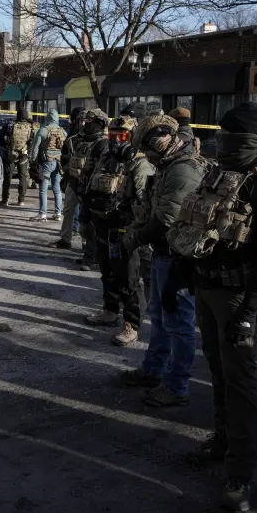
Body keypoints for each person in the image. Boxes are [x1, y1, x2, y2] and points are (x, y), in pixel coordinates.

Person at [168, 102, 257, 512]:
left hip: (237, 297)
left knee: (241, 385)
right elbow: (198, 227)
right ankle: (222, 443)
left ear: (253, 141)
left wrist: (248, 312)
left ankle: (240, 474)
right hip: (207, 289)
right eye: (221, 137)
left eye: (231, 139)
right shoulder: (222, 175)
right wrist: (185, 276)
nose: (222, 144)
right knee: (219, 375)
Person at [119, 114, 208, 407]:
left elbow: (167, 218)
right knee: (159, 318)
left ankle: (176, 385)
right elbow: (153, 208)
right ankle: (154, 370)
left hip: (178, 259)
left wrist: (136, 237)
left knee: (178, 324)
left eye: (150, 148)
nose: (149, 156)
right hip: (163, 254)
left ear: (162, 140)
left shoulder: (183, 170)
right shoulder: (169, 166)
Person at [82, 116, 152, 347]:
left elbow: (144, 201)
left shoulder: (140, 163)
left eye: (121, 136)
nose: (115, 140)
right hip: (102, 225)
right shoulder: (104, 156)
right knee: (107, 271)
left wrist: (134, 231)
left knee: (129, 278)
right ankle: (109, 311)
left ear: (132, 137)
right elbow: (89, 186)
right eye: (112, 135)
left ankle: (132, 324)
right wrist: (85, 219)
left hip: (125, 229)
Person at [72, 109, 110, 268]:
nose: (86, 124)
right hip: (85, 186)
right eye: (85, 121)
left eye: (90, 121)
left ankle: (90, 258)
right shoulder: (84, 140)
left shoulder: (103, 143)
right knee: (86, 224)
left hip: (97, 190)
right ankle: (91, 256)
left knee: (93, 226)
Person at [52, 108, 86, 249]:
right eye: (81, 120)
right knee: (68, 211)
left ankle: (87, 244)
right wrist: (66, 171)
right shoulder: (72, 139)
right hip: (73, 180)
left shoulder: (99, 141)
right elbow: (64, 157)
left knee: (87, 214)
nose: (83, 124)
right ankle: (65, 239)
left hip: (88, 183)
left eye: (86, 121)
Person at [29, 108, 67, 222]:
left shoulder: (43, 130)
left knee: (43, 189)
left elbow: (35, 148)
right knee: (57, 188)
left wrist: (33, 161)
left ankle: (42, 214)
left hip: (46, 162)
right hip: (59, 162)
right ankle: (58, 213)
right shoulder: (62, 131)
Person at [0, 108, 35, 207]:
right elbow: (31, 142)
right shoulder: (30, 127)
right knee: (22, 177)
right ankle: (21, 200)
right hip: (23, 155)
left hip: (11, 154)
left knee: (7, 177)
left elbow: (1, 137)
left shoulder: (10, 125)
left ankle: (5, 199)